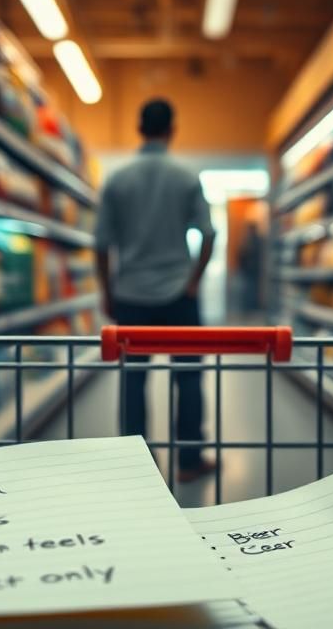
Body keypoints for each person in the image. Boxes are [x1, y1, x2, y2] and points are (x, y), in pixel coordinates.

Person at [95, 98, 217, 482]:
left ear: (138, 128)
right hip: (180, 295)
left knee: (133, 379)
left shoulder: (117, 180)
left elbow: (101, 243)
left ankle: (135, 468)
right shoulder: (185, 177)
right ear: (172, 129)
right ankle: (190, 461)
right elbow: (209, 234)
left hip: (130, 295)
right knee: (189, 378)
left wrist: (107, 291)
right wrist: (194, 281)